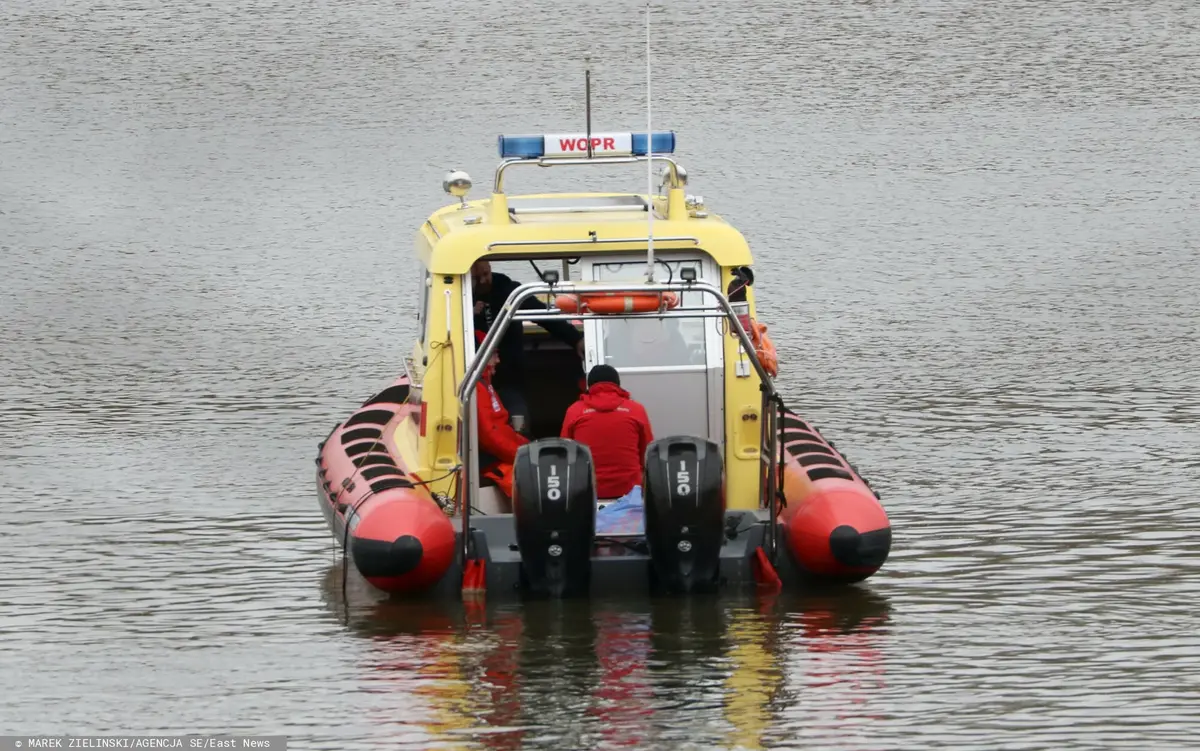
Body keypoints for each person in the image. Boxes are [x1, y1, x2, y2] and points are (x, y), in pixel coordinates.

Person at [471, 260, 584, 426]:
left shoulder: (510, 290)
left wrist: (575, 339)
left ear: (490, 268)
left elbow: (544, 316)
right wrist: (470, 313)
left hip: (510, 374)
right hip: (475, 378)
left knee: (518, 417)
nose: (483, 281)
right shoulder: (461, 297)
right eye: (476, 278)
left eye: (486, 274)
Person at [560, 365, 654, 501]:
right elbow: (648, 454)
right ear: (617, 384)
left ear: (589, 386)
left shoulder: (574, 411)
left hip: (587, 492)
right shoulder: (636, 410)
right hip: (630, 492)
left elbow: (565, 454)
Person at [473, 330, 529, 499]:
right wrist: (522, 455)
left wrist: (528, 447)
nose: (498, 360)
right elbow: (490, 436)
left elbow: (500, 429)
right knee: (530, 483)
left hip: (499, 455)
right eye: (494, 355)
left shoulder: (484, 385)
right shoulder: (477, 388)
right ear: (483, 356)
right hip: (490, 462)